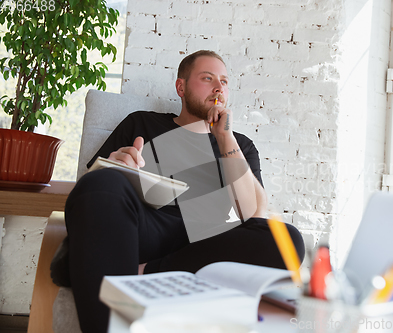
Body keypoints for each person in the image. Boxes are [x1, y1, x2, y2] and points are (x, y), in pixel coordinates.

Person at [62, 50, 305, 332]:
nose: (218, 88)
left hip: (207, 242)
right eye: (207, 78)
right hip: (147, 226)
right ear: (181, 87)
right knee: (100, 185)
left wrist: (224, 136)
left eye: (224, 82)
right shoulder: (142, 122)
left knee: (286, 240)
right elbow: (89, 193)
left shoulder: (240, 145)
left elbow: (253, 213)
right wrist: (114, 166)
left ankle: (145, 272)